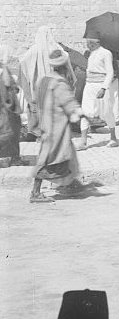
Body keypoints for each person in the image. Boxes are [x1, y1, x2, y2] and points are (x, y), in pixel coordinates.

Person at [29, 50, 85, 202]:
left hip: (45, 124)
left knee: (66, 156)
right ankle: (35, 193)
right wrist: (79, 113)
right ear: (65, 65)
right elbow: (68, 102)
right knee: (50, 158)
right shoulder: (59, 83)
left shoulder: (43, 80)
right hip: (57, 127)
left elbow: (35, 100)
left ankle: (71, 185)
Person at [18, 26, 75, 135]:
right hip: (54, 83)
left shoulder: (33, 50)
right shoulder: (56, 48)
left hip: (37, 85)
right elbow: (66, 59)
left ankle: (38, 131)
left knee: (37, 107)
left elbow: (23, 63)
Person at [79, 36, 118, 149]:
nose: (87, 45)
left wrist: (104, 88)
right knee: (85, 112)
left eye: (89, 43)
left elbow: (110, 72)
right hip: (89, 86)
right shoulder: (90, 54)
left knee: (107, 112)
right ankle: (83, 141)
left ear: (95, 43)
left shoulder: (106, 53)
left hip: (101, 85)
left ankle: (113, 138)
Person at [0, 45, 23, 165]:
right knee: (8, 133)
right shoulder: (4, 71)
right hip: (5, 110)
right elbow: (9, 85)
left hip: (8, 109)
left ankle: (13, 158)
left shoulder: (5, 70)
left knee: (12, 132)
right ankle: (9, 158)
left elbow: (12, 86)